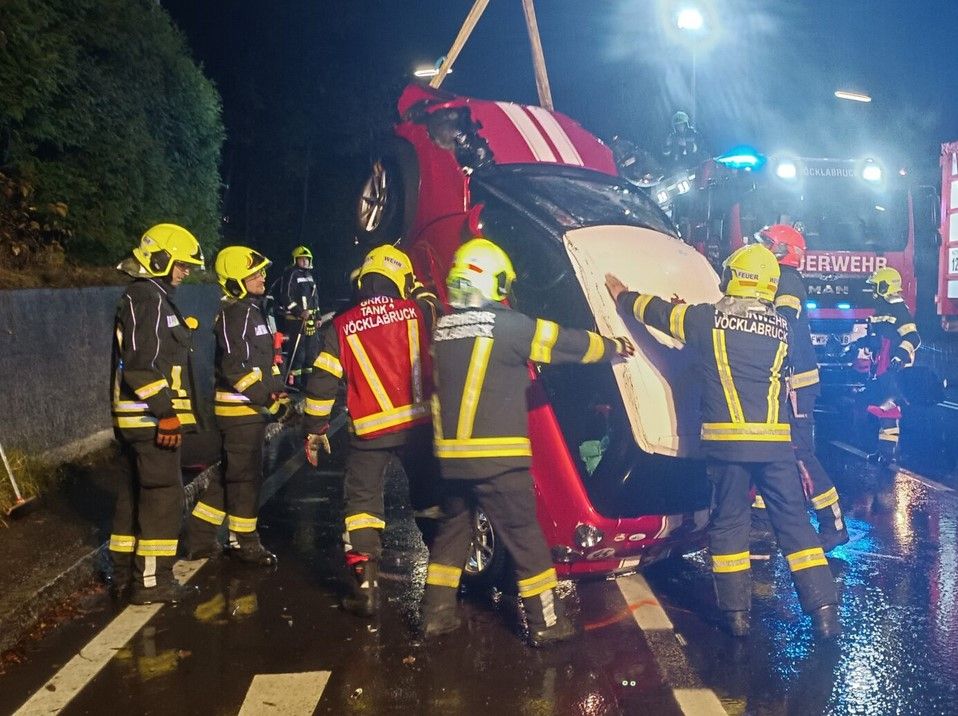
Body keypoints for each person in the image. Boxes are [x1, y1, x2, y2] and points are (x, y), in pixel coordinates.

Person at [606, 244, 841, 640]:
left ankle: (737, 617)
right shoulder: (783, 323)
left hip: (727, 447)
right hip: (775, 447)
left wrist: (622, 294)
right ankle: (824, 612)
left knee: (730, 523)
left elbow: (658, 314)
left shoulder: (705, 318)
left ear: (735, 277)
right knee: (795, 526)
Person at [421, 238, 635, 647]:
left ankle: (436, 616)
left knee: (451, 536)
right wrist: (614, 347)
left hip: (450, 461)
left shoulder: (443, 330)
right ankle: (546, 623)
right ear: (488, 280)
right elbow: (568, 344)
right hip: (499, 460)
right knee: (526, 540)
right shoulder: (510, 327)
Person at [303, 244, 442, 617]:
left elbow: (322, 381)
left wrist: (316, 428)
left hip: (369, 433)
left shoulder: (342, 325)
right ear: (402, 281)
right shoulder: (419, 311)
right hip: (419, 427)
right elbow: (433, 305)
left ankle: (364, 590)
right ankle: (444, 584)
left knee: (362, 506)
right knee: (431, 500)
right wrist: (418, 288)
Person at [109, 223, 205, 604]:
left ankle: (122, 576)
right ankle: (151, 582)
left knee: (134, 495)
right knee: (162, 496)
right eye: (181, 265)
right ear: (161, 259)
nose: (185, 272)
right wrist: (166, 413)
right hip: (149, 418)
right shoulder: (147, 297)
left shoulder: (149, 296)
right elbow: (141, 364)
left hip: (138, 416)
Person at [185, 246, 289, 567]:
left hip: (250, 409)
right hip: (238, 411)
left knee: (230, 473)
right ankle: (245, 542)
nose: (262, 277)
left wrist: (279, 393)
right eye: (253, 274)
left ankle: (200, 536)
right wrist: (266, 400)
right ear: (235, 281)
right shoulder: (234, 315)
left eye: (260, 272)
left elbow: (264, 363)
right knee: (245, 479)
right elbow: (235, 368)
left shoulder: (252, 311)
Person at [751, 225, 849, 552]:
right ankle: (763, 522)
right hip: (783, 381)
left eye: (768, 244)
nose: (762, 249)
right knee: (772, 449)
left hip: (795, 385)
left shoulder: (786, 279)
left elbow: (782, 320)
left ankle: (833, 524)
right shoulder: (776, 276)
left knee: (800, 453)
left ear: (782, 250)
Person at [856, 266, 921, 468]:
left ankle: (888, 453)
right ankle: (883, 451)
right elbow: (878, 337)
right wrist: (861, 344)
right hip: (881, 365)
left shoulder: (898, 309)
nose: (873, 291)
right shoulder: (883, 309)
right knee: (881, 409)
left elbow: (913, 337)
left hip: (892, 367)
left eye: (876, 287)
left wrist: (899, 357)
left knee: (889, 409)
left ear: (885, 286)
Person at [273, 246, 320, 388]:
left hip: (310, 321)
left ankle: (308, 381)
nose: (305, 261)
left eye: (307, 259)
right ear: (295, 260)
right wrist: (299, 312)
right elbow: (285, 297)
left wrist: (317, 316)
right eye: (302, 259)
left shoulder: (309, 276)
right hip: (296, 321)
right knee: (298, 353)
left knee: (311, 352)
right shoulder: (290, 274)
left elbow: (315, 298)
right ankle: (295, 382)